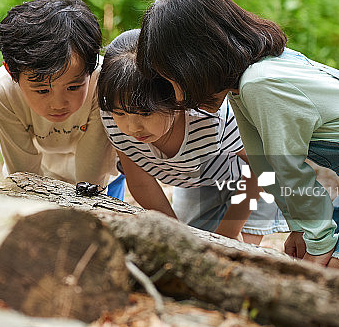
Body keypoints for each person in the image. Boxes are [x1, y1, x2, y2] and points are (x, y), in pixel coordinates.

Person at [137, 0, 339, 272]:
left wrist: (318, 244)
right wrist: (299, 227)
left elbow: (288, 168)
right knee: (319, 269)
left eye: (174, 78)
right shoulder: (242, 85)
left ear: (198, 58)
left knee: (327, 280)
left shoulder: (263, 82)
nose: (179, 96)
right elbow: (265, 165)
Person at [98, 29, 286, 243]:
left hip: (251, 176)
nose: (132, 127)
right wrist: (175, 235)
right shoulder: (112, 113)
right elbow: (141, 182)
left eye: (145, 113)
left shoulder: (214, 120)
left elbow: (260, 167)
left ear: (177, 95)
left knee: (241, 250)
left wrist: (228, 234)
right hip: (195, 178)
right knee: (191, 238)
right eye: (121, 113)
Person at [0, 0, 122, 197]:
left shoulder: (103, 81)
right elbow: (25, 174)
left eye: (73, 87)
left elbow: (92, 176)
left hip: (102, 173)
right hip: (43, 166)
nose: (58, 104)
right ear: (10, 70)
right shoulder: (4, 90)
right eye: (42, 90)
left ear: (91, 66)